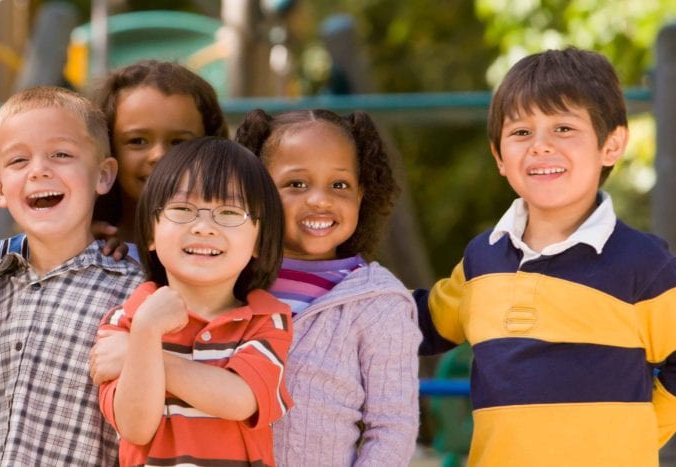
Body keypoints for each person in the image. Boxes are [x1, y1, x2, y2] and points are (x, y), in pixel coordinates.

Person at [416, 47, 676, 465]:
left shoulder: (646, 266)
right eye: (520, 132)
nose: (540, 146)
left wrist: (640, 435)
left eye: (563, 128)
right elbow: (420, 324)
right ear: (499, 155)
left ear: (611, 145)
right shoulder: (481, 260)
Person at [236, 108, 420, 465]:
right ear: (256, 191)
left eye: (339, 185)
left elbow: (392, 428)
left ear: (361, 196)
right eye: (296, 184)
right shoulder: (229, 279)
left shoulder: (378, 301)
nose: (320, 199)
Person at [96, 137, 293, 466]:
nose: (204, 227)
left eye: (229, 212)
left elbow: (240, 399)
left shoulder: (266, 319)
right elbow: (135, 428)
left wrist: (139, 353)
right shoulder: (126, 321)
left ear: (259, 239)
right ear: (150, 233)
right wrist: (145, 330)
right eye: (182, 209)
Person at [0, 86, 144, 466]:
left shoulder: (135, 293)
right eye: (19, 160)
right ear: (0, 190)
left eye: (61, 155)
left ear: (103, 175)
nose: (39, 170)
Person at [91, 59, 228, 246]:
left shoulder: (230, 246)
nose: (159, 156)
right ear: (107, 149)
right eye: (137, 141)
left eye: (179, 142)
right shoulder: (86, 246)